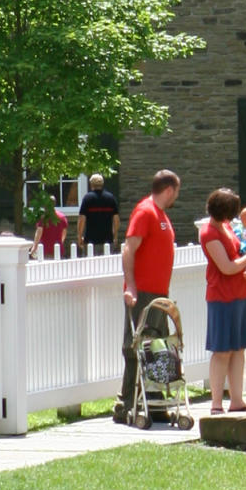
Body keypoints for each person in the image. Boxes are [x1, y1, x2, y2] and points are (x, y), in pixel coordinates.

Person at [114, 169, 180, 424]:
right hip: (142, 293)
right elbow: (129, 249)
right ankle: (125, 404)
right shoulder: (145, 211)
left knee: (157, 346)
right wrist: (130, 286)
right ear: (169, 190)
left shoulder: (161, 214)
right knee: (136, 346)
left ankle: (153, 402)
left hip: (158, 293)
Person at [201, 188, 246, 413]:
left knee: (238, 349)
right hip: (221, 297)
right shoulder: (209, 234)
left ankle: (237, 400)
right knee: (222, 350)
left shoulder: (228, 227)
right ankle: (217, 403)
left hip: (241, 294)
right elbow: (226, 267)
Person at [77, 173, 120, 253]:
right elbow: (116, 219)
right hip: (107, 239)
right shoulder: (110, 198)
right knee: (107, 264)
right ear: (102, 184)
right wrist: (115, 235)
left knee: (90, 265)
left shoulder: (87, 198)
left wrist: (79, 236)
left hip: (90, 240)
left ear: (91, 184)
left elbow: (82, 219)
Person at [32, 193, 68, 259]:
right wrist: (60, 242)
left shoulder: (43, 217)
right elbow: (64, 233)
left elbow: (39, 232)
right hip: (59, 249)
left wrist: (34, 247)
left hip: (45, 250)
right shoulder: (62, 217)